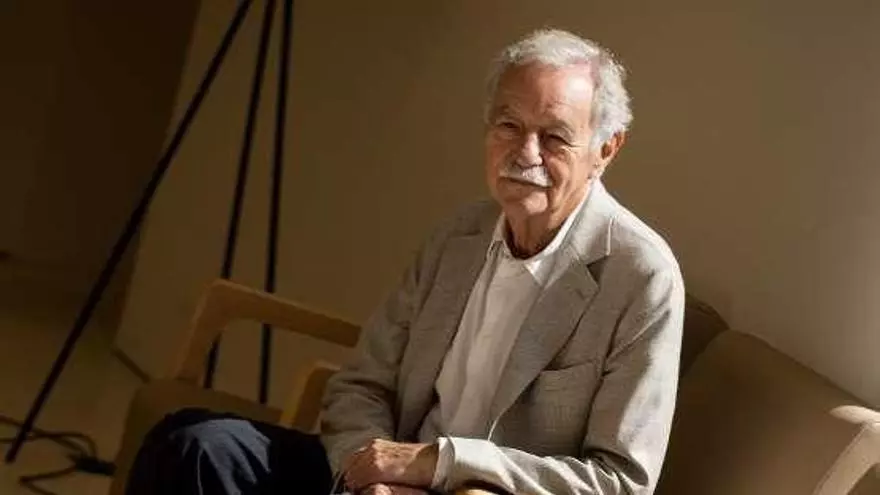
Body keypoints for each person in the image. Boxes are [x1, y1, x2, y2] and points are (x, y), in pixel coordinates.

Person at [126, 28, 684, 495]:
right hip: (383, 479)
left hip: (475, 491)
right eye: (509, 125)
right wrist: (368, 476)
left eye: (555, 136)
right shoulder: (459, 236)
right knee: (195, 444)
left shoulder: (640, 277)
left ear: (606, 149)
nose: (526, 153)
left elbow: (619, 482)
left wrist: (439, 463)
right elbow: (360, 385)